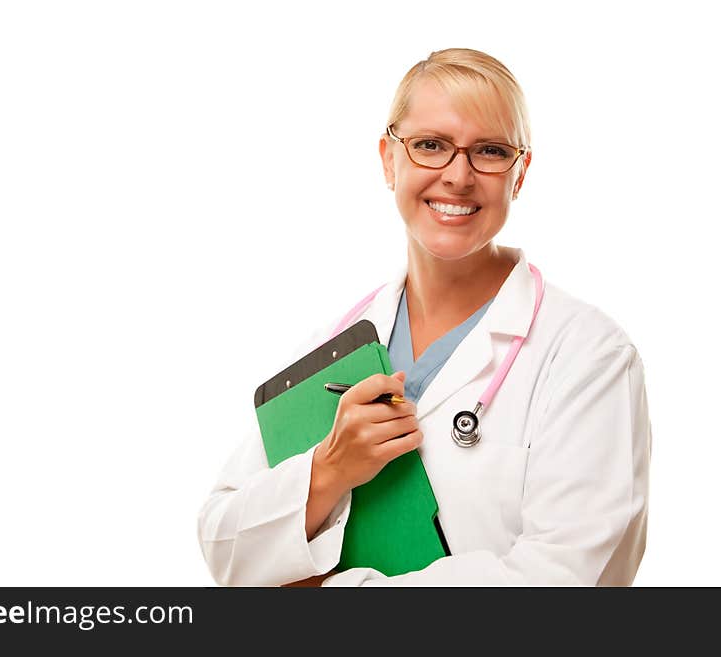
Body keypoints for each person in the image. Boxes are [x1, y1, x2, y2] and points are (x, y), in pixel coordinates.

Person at [197, 48, 651, 586]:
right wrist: (328, 470)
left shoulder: (587, 355)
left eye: (490, 150)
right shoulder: (339, 343)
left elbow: (565, 576)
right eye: (430, 145)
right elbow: (223, 541)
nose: (458, 176)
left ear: (520, 173)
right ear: (389, 159)